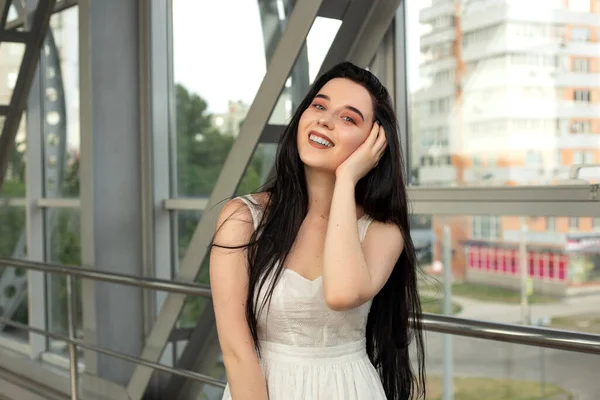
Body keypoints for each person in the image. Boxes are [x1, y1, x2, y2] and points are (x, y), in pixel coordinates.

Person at [209, 62, 425, 400]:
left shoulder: (382, 230)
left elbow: (341, 293)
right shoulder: (243, 218)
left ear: (375, 143)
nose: (325, 119)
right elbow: (237, 350)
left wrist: (347, 180)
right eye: (319, 106)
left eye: (348, 118)